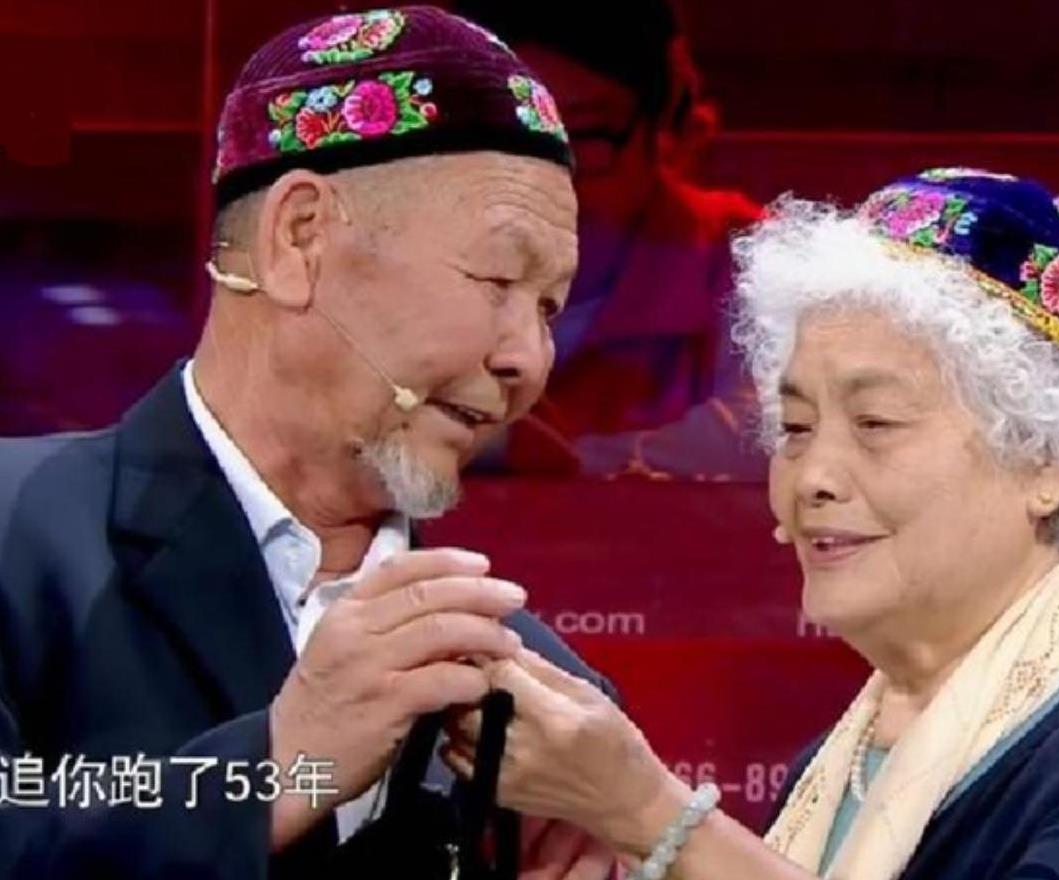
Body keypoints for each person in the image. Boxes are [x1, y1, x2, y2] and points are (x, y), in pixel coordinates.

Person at [445, 169, 1059, 878]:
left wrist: (650, 813)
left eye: (875, 423)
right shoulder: (828, 769)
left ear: (1052, 460)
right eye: (795, 428)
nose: (812, 478)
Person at [0, 7, 616, 878]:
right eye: (498, 279)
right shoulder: (18, 539)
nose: (528, 359)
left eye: (549, 307)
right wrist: (278, 768)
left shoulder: (540, 693)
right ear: (299, 238)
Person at [454, 0, 767, 480]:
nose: (547, 180)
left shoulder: (743, 256)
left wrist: (565, 462)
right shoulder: (401, 258)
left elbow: (770, 433)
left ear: (665, 121)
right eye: (507, 137)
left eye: (585, 133)